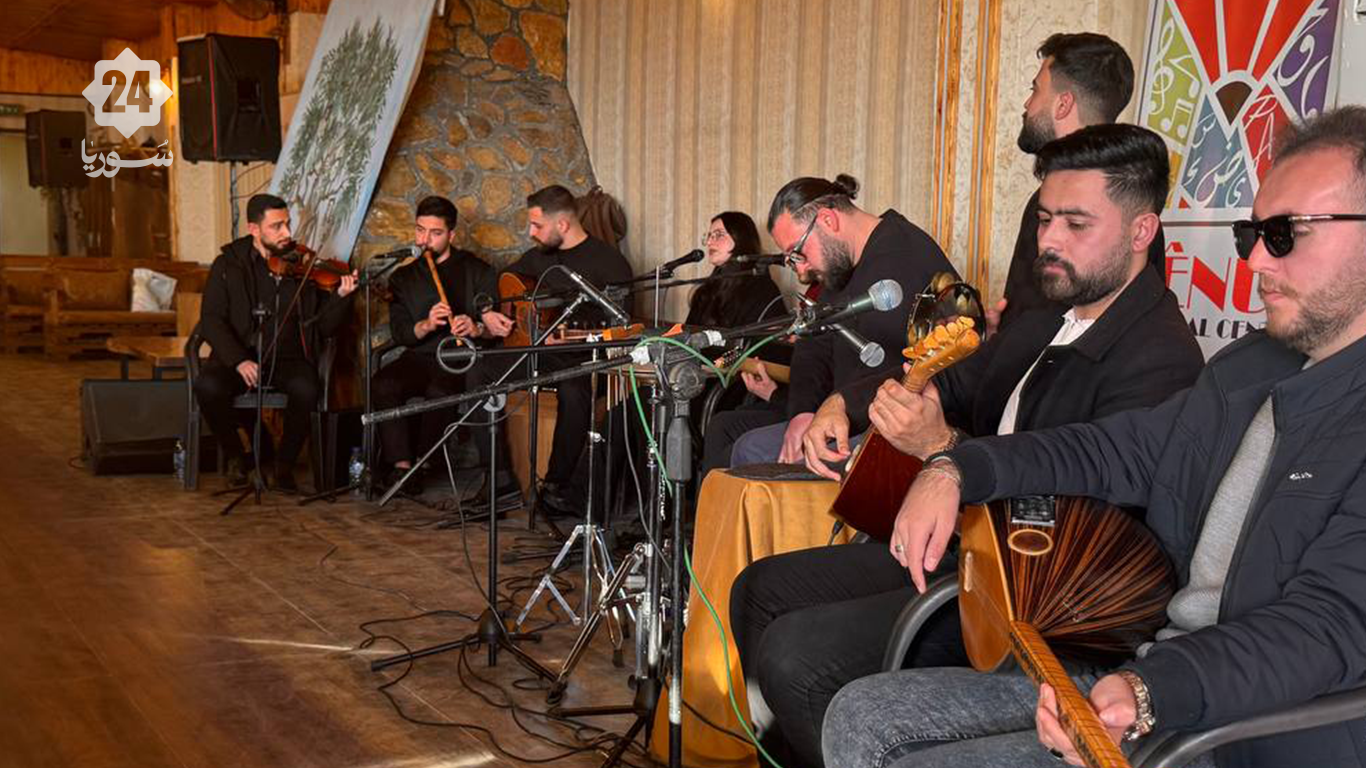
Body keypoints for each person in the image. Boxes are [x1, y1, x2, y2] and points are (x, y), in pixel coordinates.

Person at [824, 105, 1366, 768]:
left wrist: (1149, 691)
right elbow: (1109, 448)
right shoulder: (1249, 368)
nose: (1254, 258)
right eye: (1251, 232)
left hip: (1245, 731)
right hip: (1148, 674)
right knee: (860, 715)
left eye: (1284, 234)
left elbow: (1327, 628)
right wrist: (954, 468)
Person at [729, 124, 1205, 768]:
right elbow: (953, 379)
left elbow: (1088, 519)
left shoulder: (1161, 357)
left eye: (1076, 224)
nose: (1050, 241)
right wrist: (853, 403)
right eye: (1045, 220)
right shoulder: (1045, 318)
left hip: (1028, 593)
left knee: (797, 656)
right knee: (758, 589)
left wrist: (945, 449)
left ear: (1141, 231)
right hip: (961, 546)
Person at [728, 174, 953, 467]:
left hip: (895, 427)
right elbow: (813, 344)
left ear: (827, 220)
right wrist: (803, 413)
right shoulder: (841, 265)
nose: (802, 272)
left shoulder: (905, 256)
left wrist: (838, 405)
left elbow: (916, 371)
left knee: (752, 452)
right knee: (739, 438)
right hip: (844, 414)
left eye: (798, 252)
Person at [997, 32, 1167, 331]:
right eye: (1045, 220)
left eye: (1035, 90)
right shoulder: (1126, 207)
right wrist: (1002, 343)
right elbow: (1030, 323)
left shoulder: (1129, 213)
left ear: (1063, 104)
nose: (1027, 104)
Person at [479, 185, 633, 511]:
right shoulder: (538, 257)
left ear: (562, 224)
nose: (531, 233)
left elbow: (622, 325)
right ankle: (500, 478)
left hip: (585, 359)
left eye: (537, 225)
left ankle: (555, 487)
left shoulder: (609, 262)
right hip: (539, 354)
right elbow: (501, 279)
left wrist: (575, 336)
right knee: (479, 371)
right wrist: (489, 312)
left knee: (574, 391)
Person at [194, 193, 357, 493]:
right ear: (254, 229)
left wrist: (341, 298)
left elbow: (323, 327)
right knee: (207, 386)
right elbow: (212, 319)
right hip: (240, 357)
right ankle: (236, 456)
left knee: (306, 388)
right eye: (276, 226)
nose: (287, 233)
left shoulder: (300, 267)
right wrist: (238, 360)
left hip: (287, 358)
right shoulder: (228, 265)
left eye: (287, 224)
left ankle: (284, 465)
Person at [371, 196, 516, 503]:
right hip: (419, 356)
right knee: (383, 383)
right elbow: (401, 332)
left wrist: (474, 327)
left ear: (451, 234)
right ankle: (402, 468)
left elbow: (493, 328)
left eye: (435, 233)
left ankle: (424, 463)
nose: (425, 240)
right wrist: (426, 324)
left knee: (440, 392)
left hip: (458, 358)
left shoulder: (477, 270)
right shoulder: (403, 277)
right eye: (420, 230)